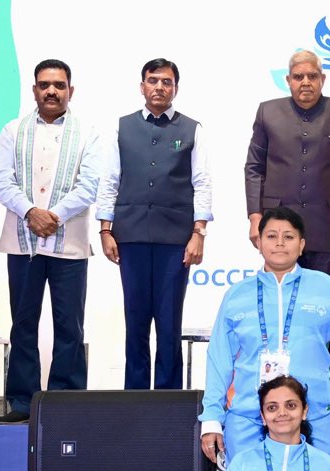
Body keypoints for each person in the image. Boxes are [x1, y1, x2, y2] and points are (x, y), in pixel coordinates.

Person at [199, 206, 330, 463]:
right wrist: (211, 419)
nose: (280, 243)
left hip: (314, 416)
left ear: (302, 244)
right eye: (272, 236)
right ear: (259, 242)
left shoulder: (325, 287)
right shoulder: (237, 295)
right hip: (248, 417)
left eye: (289, 236)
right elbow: (219, 361)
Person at [0, 59, 103, 424]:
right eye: (44, 84)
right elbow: (0, 180)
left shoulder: (88, 132)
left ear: (71, 90)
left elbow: (89, 185)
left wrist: (52, 215)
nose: (51, 91)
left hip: (69, 242)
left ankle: (66, 401)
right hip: (22, 242)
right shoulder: (13, 129)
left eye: (59, 84)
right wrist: (30, 213)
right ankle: (22, 402)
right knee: (23, 323)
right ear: (34, 89)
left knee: (69, 324)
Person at [96, 58, 212, 390]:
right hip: (130, 235)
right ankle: (134, 396)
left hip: (175, 239)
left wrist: (198, 232)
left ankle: (168, 395)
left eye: (166, 82)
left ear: (175, 88)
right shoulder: (122, 126)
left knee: (168, 320)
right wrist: (105, 229)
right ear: (142, 86)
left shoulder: (192, 129)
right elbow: (109, 181)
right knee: (135, 320)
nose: (159, 87)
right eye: (153, 80)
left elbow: (202, 182)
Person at [244, 49, 330, 285]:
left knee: (325, 299)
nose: (305, 82)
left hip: (328, 225)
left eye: (312, 76)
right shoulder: (268, 112)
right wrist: (255, 217)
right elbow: (254, 168)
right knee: (280, 297)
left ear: (322, 79)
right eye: (298, 77)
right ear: (288, 81)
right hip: (279, 225)